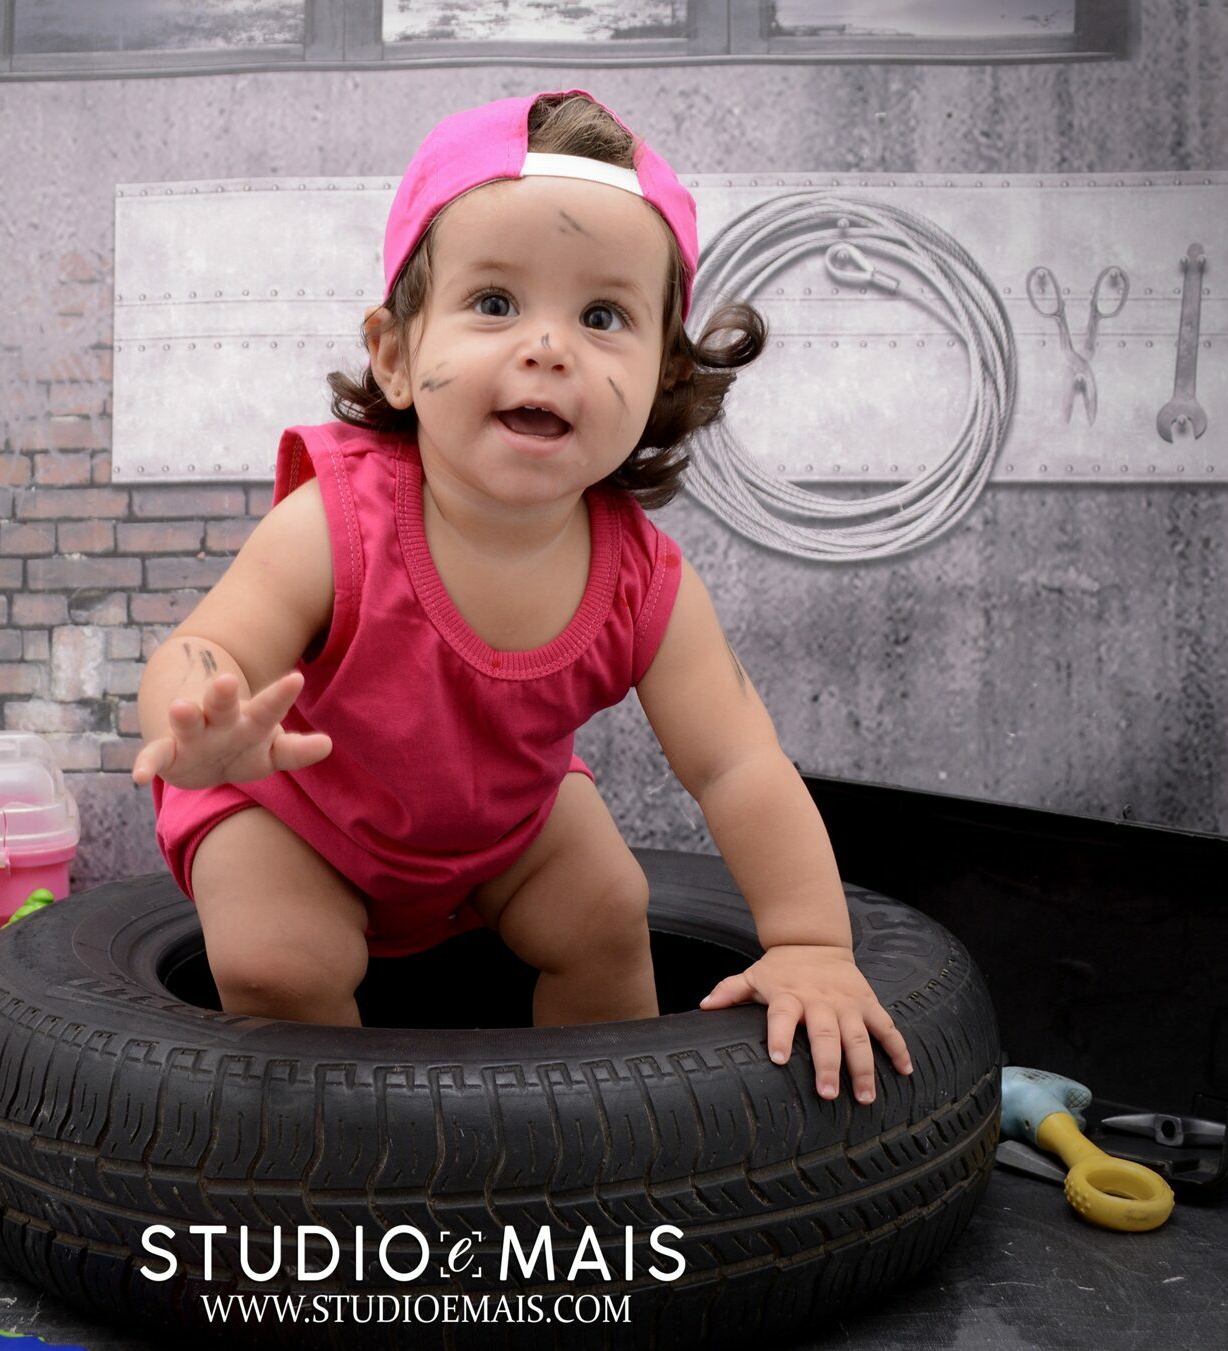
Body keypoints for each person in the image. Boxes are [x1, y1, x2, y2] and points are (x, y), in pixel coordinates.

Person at [132, 90, 912, 1106]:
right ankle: (348, 1152)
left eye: (603, 317)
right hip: (293, 808)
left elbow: (737, 764)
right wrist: (201, 724)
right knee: (281, 957)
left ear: (661, 377)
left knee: (607, 910)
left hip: (498, 819)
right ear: (397, 356)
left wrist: (810, 942)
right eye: (495, 303)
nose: (549, 346)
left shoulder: (643, 582)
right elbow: (207, 647)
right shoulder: (340, 521)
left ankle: (596, 1131)